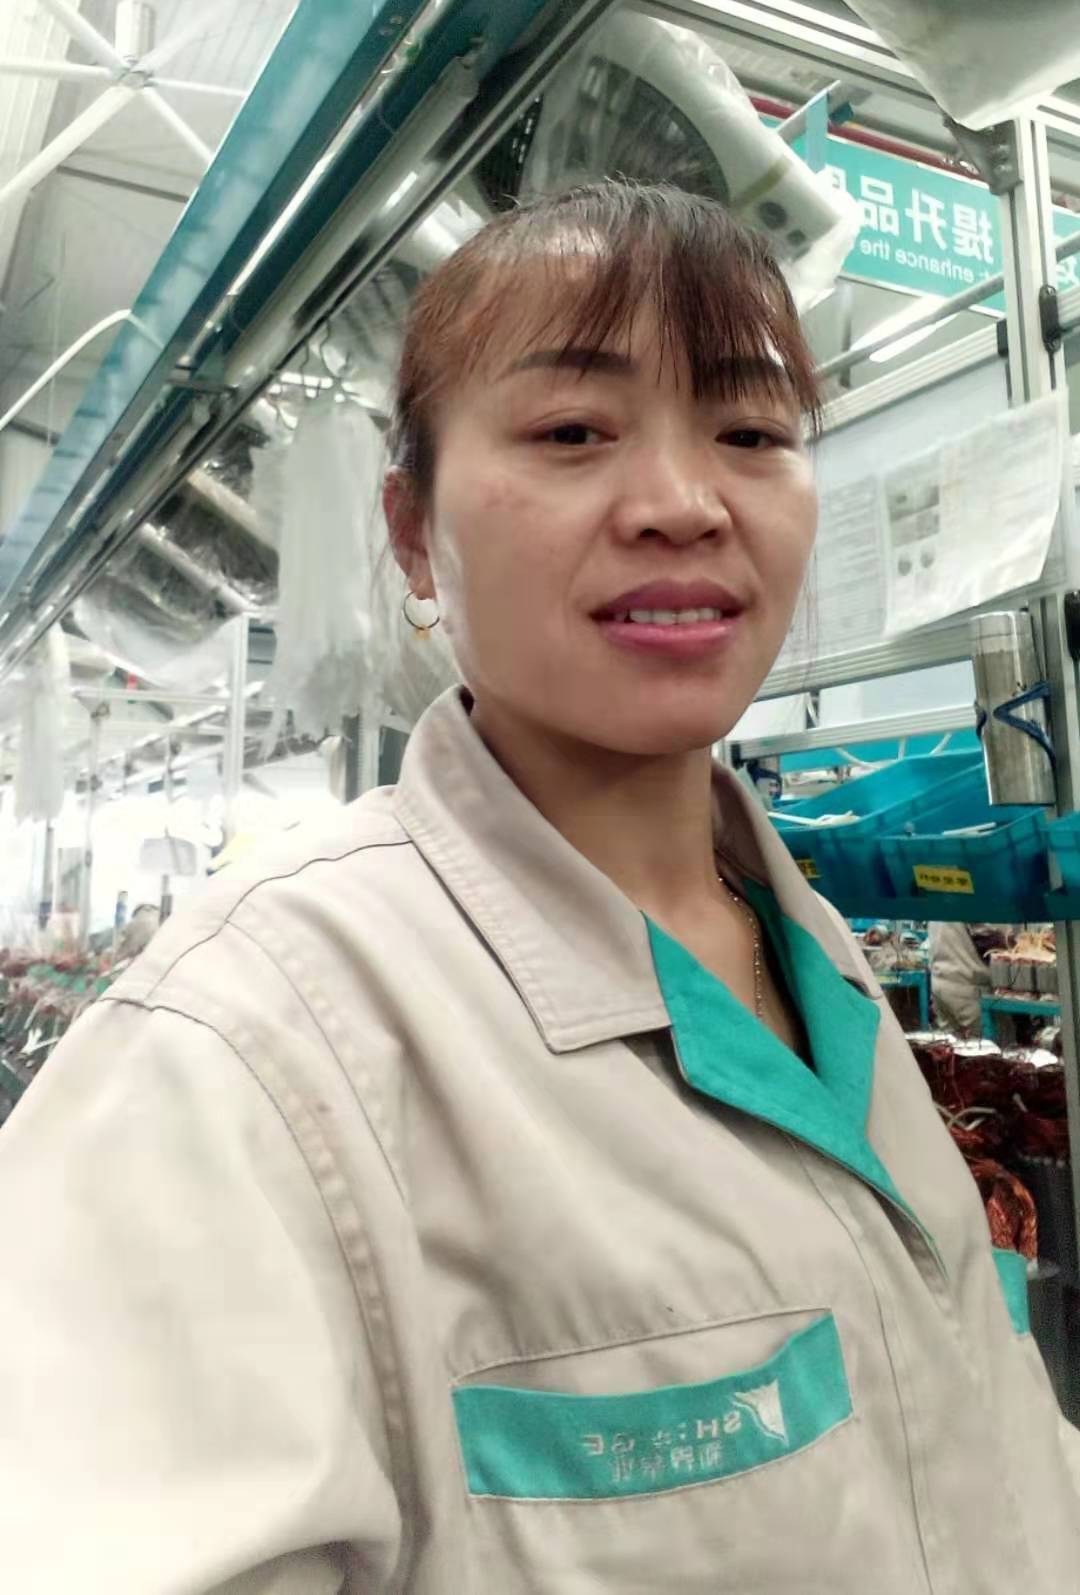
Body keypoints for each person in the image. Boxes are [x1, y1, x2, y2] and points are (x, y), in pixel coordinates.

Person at [0, 182, 1076, 1591]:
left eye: (753, 433)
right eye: (573, 431)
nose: (684, 504)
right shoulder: (242, 1057)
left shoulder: (815, 959)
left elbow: (982, 1444)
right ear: (410, 531)